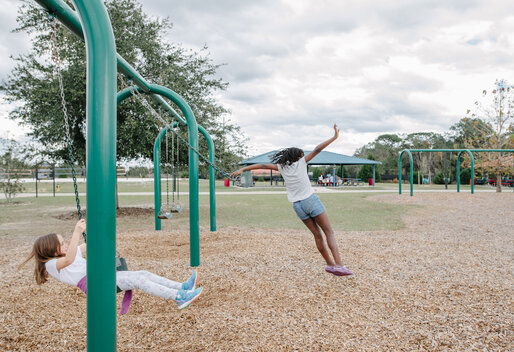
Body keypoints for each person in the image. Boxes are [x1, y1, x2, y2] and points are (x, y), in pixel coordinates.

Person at [232, 124, 352, 276]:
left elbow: (262, 164)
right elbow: (317, 149)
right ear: (297, 157)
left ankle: (329, 264)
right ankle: (339, 265)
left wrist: (242, 169)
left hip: (297, 206)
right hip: (310, 201)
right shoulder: (301, 163)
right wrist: (334, 137)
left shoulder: (282, 168)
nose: (303, 156)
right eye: (302, 155)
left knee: (317, 235)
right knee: (329, 232)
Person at [19, 219, 203, 310]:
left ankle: (182, 287)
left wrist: (102, 230)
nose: (66, 244)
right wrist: (76, 231)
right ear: (51, 249)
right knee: (140, 280)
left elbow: (89, 245)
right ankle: (179, 297)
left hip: (101, 277)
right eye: (62, 243)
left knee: (143, 274)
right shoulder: (52, 265)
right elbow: (68, 258)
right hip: (95, 284)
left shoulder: (70, 253)